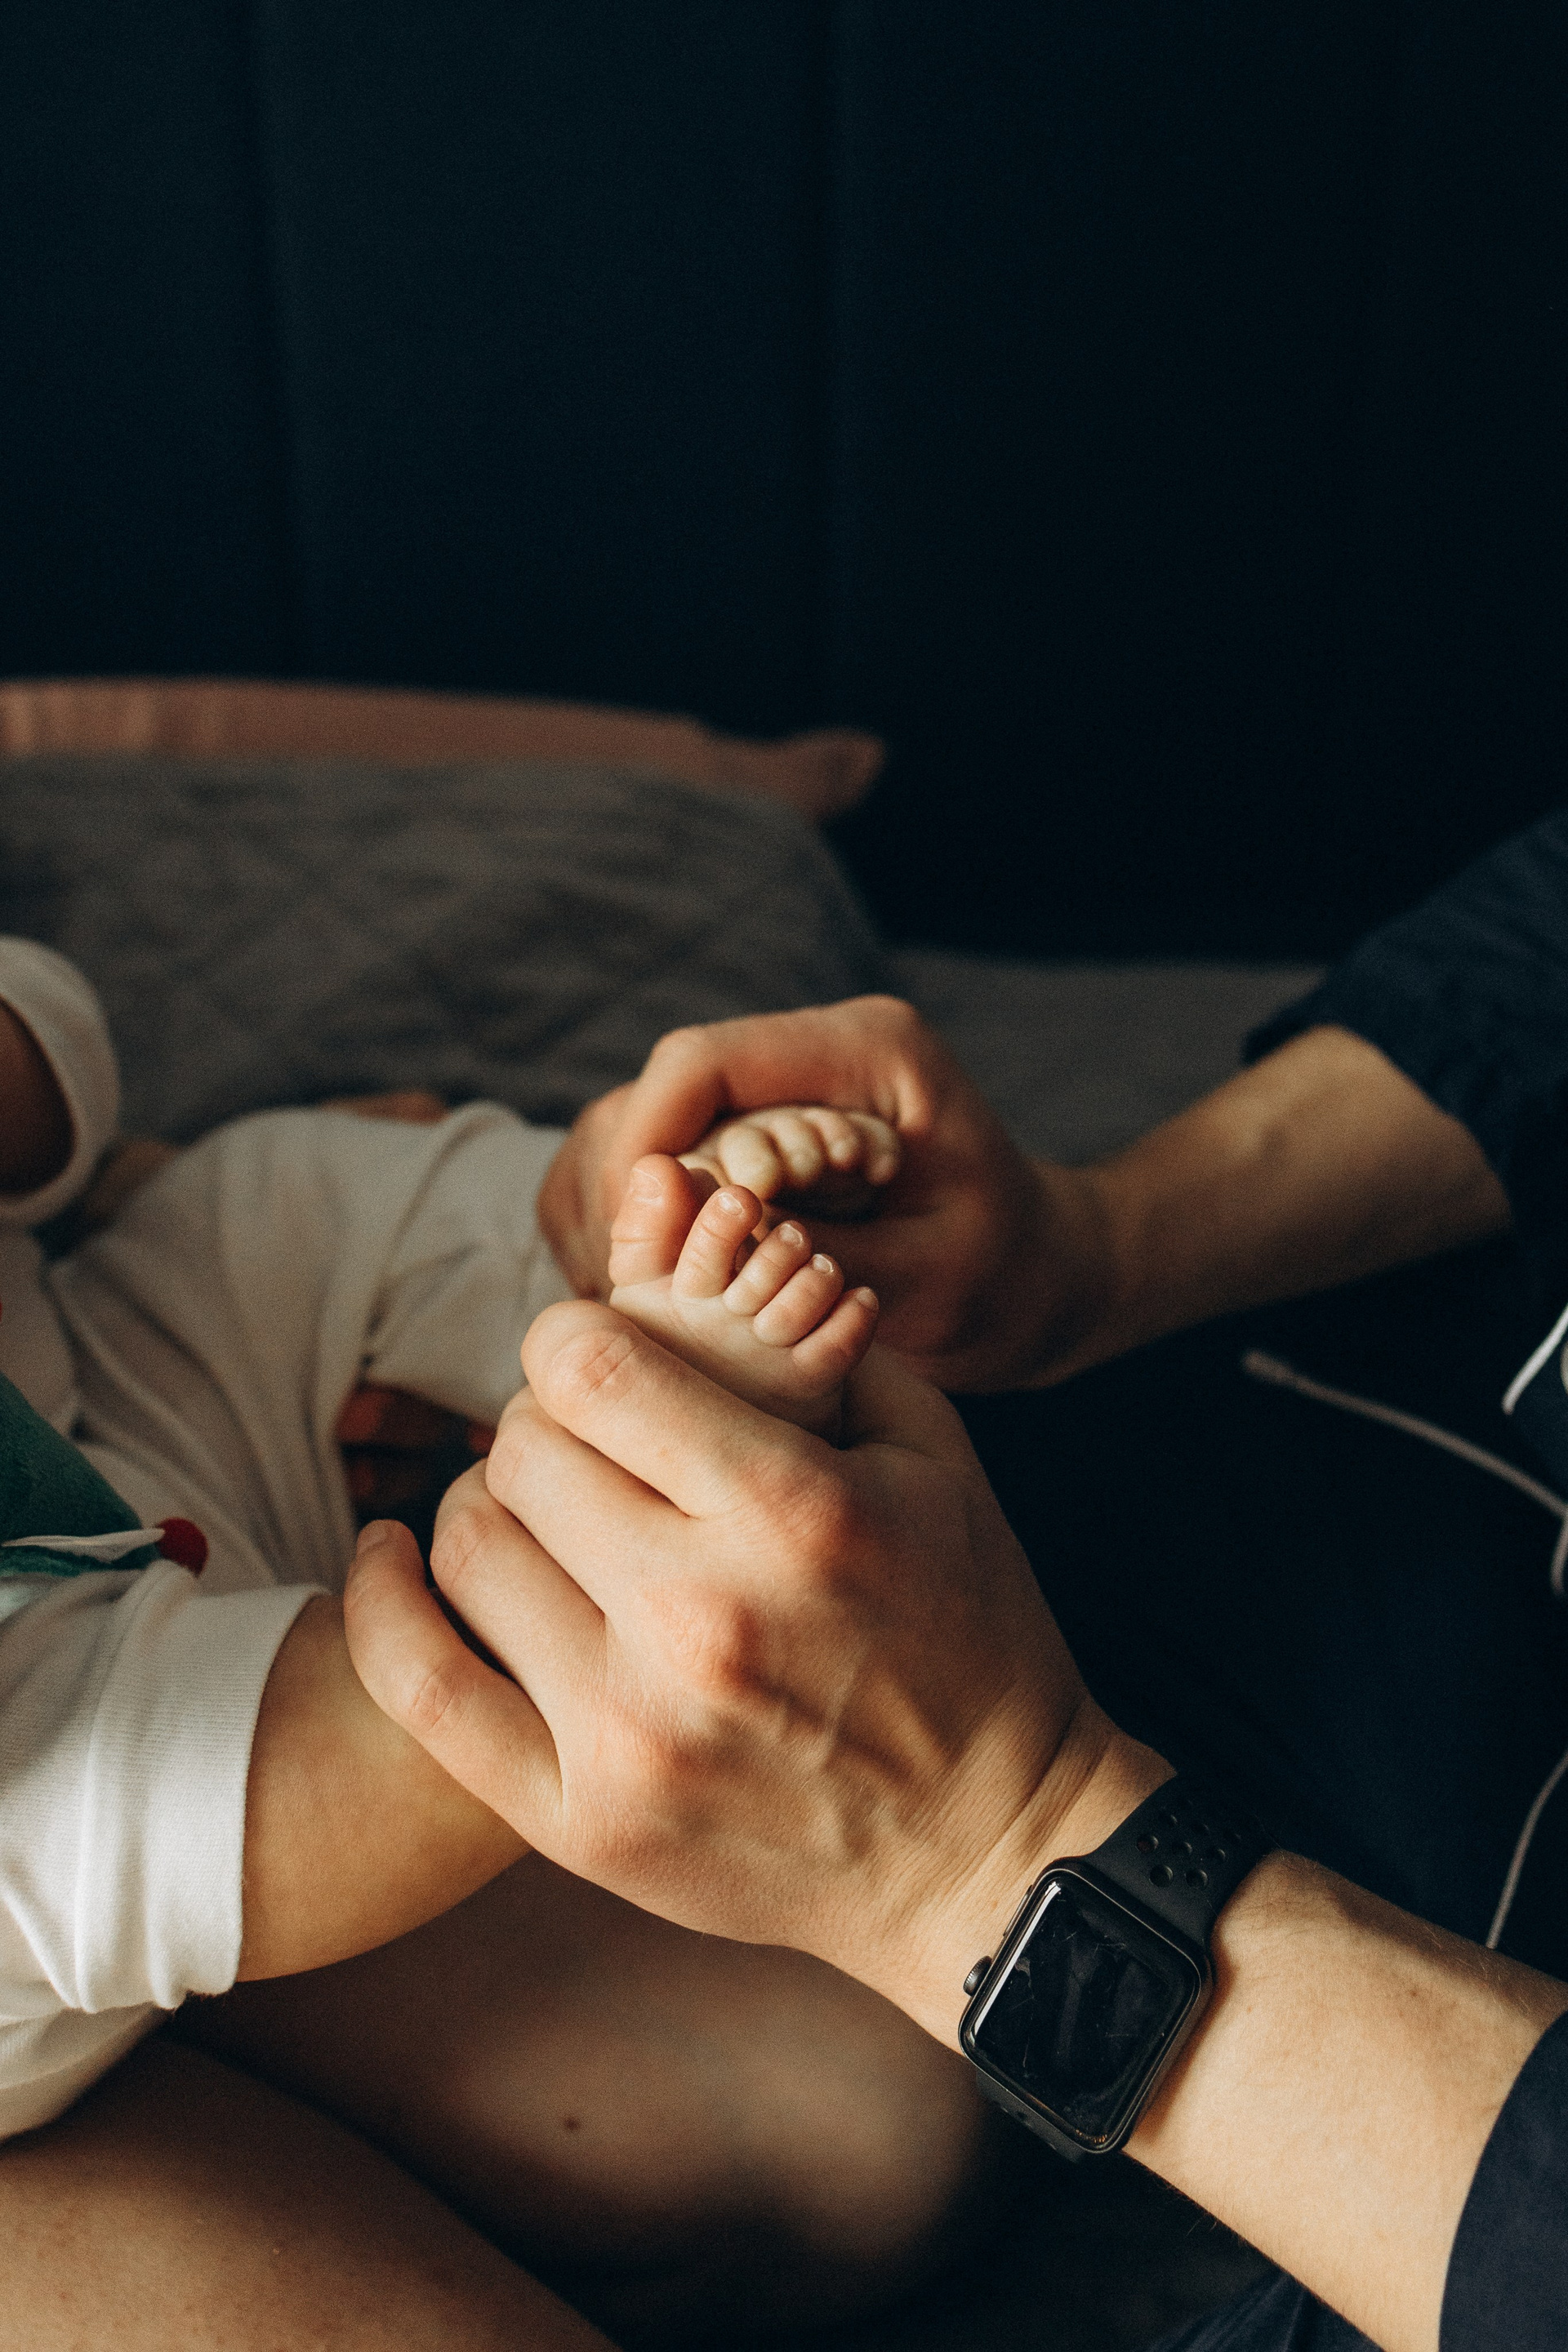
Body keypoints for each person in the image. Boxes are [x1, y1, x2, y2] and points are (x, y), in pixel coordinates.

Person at [347, 811, 1568, 2351]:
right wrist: (1107, 1246)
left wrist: (996, 1837)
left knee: (830, 2128)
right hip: (1246, 1476)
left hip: (1429, 2062)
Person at [0, 935, 973, 2351]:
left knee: (875, 2136)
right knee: (321, 1771)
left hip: (102, 1387)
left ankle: (616, 1243)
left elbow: (47, 1038)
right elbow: (323, 1772)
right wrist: (624, 1499)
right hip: (78, 1757)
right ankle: (646, 1445)